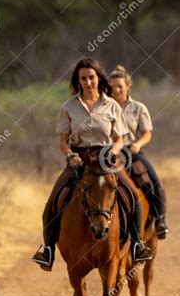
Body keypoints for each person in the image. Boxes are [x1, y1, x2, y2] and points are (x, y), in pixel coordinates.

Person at [32, 58, 152, 271]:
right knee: (53, 200)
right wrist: (70, 155)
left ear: (98, 78)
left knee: (132, 195)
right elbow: (62, 141)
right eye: (83, 79)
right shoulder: (68, 107)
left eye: (91, 78)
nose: (88, 82)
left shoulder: (111, 105)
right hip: (79, 159)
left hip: (107, 158)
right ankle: (48, 249)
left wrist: (113, 152)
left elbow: (119, 139)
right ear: (78, 81)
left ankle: (137, 244)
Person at [109, 65, 169, 239]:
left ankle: (160, 219)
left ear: (127, 86)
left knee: (153, 181)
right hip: (111, 153)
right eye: (112, 87)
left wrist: (138, 144)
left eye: (120, 86)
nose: (116, 90)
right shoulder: (105, 107)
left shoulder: (138, 108)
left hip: (132, 151)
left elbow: (147, 133)